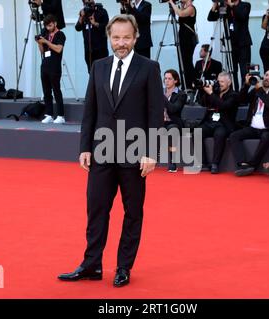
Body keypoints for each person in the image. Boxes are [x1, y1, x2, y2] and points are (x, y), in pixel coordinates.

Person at [58, 15, 164, 287]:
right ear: (109, 37)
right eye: (116, 37)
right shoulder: (99, 66)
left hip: (135, 153)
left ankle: (123, 267)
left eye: (126, 37)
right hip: (102, 152)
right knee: (96, 210)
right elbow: (90, 110)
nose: (121, 43)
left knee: (132, 213)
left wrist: (152, 151)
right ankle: (92, 265)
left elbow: (155, 114)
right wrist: (84, 147)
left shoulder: (149, 68)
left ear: (135, 37)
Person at [229, 69, 269, 176]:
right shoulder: (256, 91)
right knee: (234, 136)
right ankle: (242, 164)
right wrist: (246, 85)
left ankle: (253, 165)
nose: (267, 77)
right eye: (266, 75)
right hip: (253, 128)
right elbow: (241, 100)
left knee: (266, 137)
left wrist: (260, 90)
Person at [197, 72, 239, 174]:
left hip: (224, 123)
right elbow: (202, 102)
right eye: (218, 81)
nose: (219, 84)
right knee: (197, 132)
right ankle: (203, 163)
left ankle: (215, 164)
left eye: (222, 82)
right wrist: (204, 90)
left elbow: (224, 106)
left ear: (229, 82)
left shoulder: (233, 95)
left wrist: (211, 93)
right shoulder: (214, 91)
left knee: (219, 134)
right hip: (210, 121)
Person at [208, 0, 252, 91]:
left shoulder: (245, 5)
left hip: (243, 43)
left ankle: (243, 93)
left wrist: (231, 5)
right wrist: (215, 4)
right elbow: (211, 18)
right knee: (232, 70)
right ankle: (234, 92)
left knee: (244, 70)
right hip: (230, 43)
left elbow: (242, 16)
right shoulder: (225, 7)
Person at [36, 15, 66, 124]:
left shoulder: (60, 34)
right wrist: (39, 43)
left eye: (50, 25)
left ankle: (61, 115)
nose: (48, 28)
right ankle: (49, 114)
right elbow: (42, 52)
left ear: (55, 23)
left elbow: (58, 49)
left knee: (56, 90)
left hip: (54, 66)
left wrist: (46, 42)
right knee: (46, 91)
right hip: (44, 65)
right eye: (46, 26)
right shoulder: (46, 34)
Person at [169, 0, 197, 90]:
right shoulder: (183, 7)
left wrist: (171, 2)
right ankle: (185, 85)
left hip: (188, 39)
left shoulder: (191, 8)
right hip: (182, 37)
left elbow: (180, 14)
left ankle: (191, 84)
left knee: (187, 61)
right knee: (182, 62)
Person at [163, 69, 187, 172]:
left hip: (173, 122)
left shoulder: (181, 95)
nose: (166, 81)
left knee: (172, 131)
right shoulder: (160, 92)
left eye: (169, 79)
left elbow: (173, 109)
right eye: (165, 78)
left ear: (175, 80)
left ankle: (173, 161)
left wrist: (162, 98)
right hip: (160, 122)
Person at [75, 0, 109, 73]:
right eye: (85, 2)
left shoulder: (102, 11)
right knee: (91, 72)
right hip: (89, 50)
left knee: (102, 72)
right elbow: (77, 28)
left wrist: (95, 23)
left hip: (100, 49)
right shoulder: (84, 14)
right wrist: (81, 17)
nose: (87, 4)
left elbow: (107, 27)